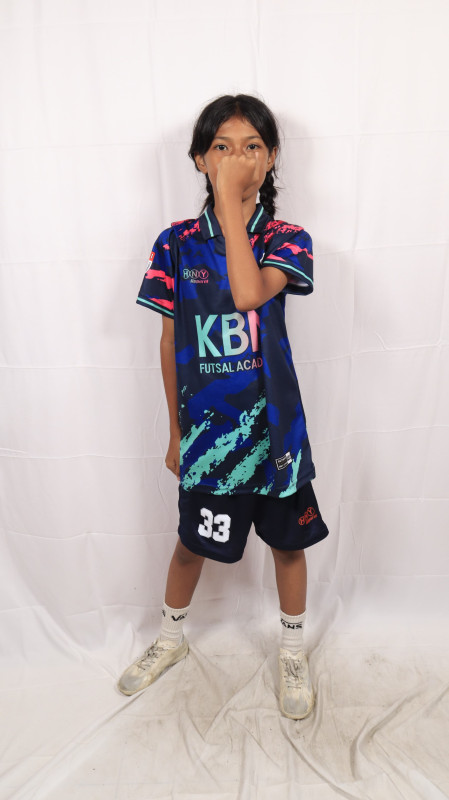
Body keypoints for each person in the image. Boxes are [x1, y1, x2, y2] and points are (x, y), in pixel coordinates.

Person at [118, 94, 329, 720]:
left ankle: (292, 651)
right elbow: (168, 342)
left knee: (288, 547)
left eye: (252, 146)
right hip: (210, 438)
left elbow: (246, 294)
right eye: (222, 147)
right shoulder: (175, 244)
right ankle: (170, 638)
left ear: (272, 159)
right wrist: (176, 432)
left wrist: (234, 206)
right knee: (191, 545)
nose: (237, 157)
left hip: (276, 435)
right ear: (199, 160)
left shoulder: (288, 239)